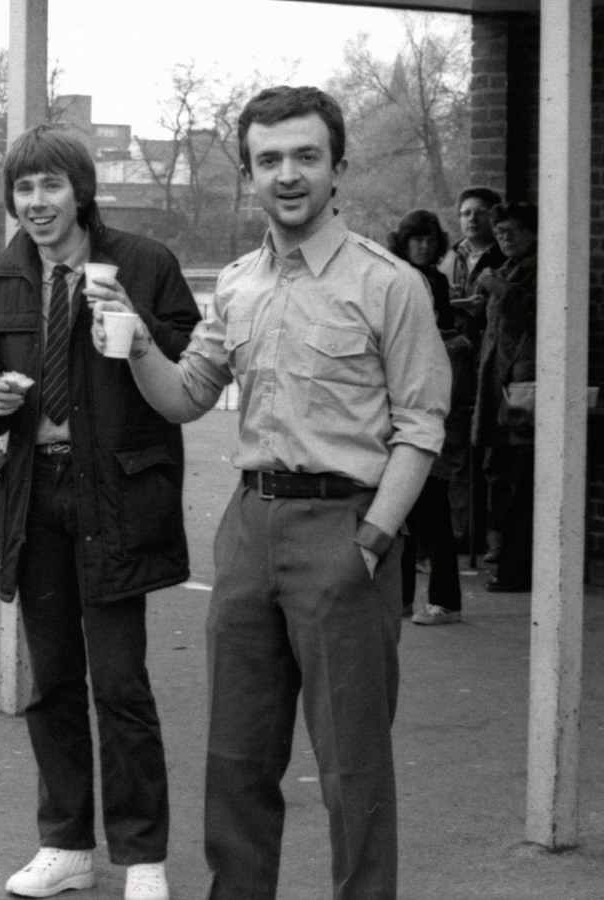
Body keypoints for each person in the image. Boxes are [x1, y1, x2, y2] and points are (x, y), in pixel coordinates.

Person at [91, 86, 450, 899]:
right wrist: (138, 340)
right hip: (250, 529)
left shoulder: (390, 284)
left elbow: (421, 426)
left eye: (305, 156)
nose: (288, 174)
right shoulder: (239, 284)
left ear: (337, 169)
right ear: (250, 174)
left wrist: (372, 541)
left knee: (353, 764)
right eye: (269, 159)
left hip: (346, 530)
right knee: (237, 757)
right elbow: (185, 395)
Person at [0, 125, 198, 900]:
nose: (37, 202)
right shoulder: (1, 277)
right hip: (35, 493)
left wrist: (136, 324)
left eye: (51, 186)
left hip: (115, 495)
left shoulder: (146, 264)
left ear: (81, 191)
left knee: (121, 683)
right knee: (53, 680)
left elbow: (193, 369)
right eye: (24, 188)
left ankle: (142, 856)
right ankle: (65, 844)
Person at [387, 209, 466, 625]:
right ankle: (400, 597)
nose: (424, 245)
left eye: (430, 239)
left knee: (432, 504)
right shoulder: (399, 278)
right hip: (401, 400)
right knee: (402, 506)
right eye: (416, 238)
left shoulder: (431, 282)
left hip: (427, 401)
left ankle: (445, 600)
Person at [468, 201, 538, 593]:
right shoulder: (509, 268)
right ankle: (500, 549)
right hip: (498, 384)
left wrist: (500, 291)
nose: (504, 239)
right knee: (498, 469)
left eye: (511, 231)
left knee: (517, 474)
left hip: (523, 388)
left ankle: (514, 560)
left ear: (530, 230)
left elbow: (535, 314)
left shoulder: (539, 267)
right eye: (498, 233)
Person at [438, 186, 504, 553]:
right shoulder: (451, 255)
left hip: (487, 359)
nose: (472, 219)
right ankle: (458, 529)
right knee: (455, 444)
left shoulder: (502, 253)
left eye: (480, 212)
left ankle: (481, 532)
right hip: (456, 358)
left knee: (483, 448)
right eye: (466, 213)